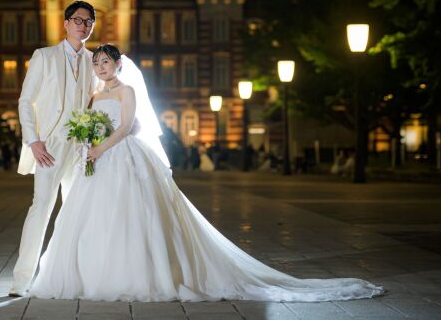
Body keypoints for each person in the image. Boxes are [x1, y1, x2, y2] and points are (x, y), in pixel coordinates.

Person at [28, 44, 384, 302]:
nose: (101, 67)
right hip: (97, 160)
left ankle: (138, 272)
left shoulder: (128, 90)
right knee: (95, 218)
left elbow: (127, 127)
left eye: (106, 62)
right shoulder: (92, 95)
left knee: (134, 215)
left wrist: (100, 147)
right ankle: (94, 272)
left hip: (122, 156)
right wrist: (87, 145)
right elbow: (90, 126)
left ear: (119, 64)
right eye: (97, 63)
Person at [10, 1, 97, 296]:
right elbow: (25, 101)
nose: (82, 25)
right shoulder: (44, 56)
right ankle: (21, 280)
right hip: (49, 144)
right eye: (77, 20)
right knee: (42, 207)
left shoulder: (93, 61)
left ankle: (68, 278)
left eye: (88, 22)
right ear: (66, 23)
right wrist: (33, 140)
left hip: (80, 147)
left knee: (75, 212)